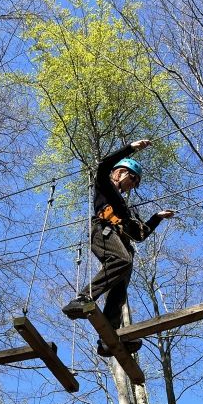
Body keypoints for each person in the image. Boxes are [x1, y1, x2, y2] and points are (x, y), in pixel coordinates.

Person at [62, 140, 174, 355]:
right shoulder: (105, 187)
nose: (133, 185)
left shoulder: (124, 209)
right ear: (121, 173)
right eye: (133, 179)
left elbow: (140, 235)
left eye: (136, 182)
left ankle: (109, 337)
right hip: (103, 231)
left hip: (119, 238)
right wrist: (131, 148)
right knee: (122, 261)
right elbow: (103, 166)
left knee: (120, 285)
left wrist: (157, 218)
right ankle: (82, 298)